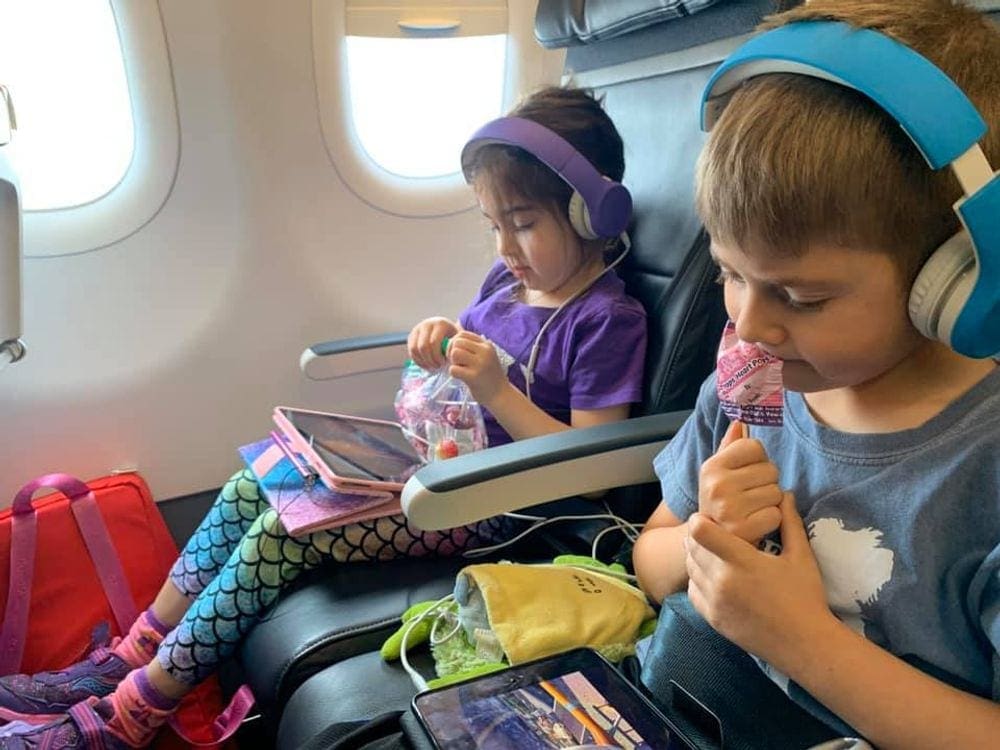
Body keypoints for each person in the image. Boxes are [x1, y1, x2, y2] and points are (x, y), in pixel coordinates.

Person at [0, 86, 647, 748]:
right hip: (441, 465)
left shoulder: (606, 319)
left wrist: (496, 389)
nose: (505, 245)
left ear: (589, 214)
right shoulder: (509, 282)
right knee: (258, 479)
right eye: (492, 225)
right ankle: (129, 656)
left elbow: (590, 468)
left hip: (494, 506)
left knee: (283, 533)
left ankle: (132, 715)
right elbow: (477, 355)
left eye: (525, 222)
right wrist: (441, 341)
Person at [632, 1, 1000, 748]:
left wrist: (805, 642)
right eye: (729, 275)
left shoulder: (981, 468)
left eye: (802, 297)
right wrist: (708, 535)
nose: (750, 324)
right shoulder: (750, 385)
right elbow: (650, 557)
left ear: (955, 274)